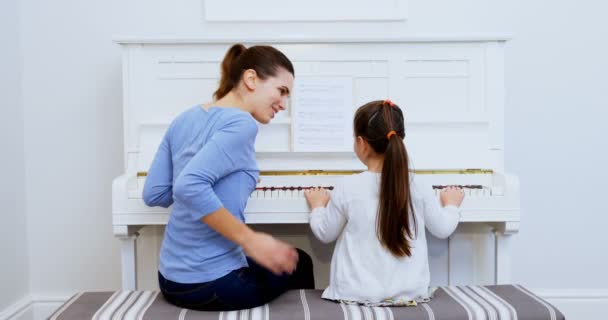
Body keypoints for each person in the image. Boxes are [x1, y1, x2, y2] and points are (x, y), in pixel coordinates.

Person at [143, 43, 315, 311]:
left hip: (170, 280)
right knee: (300, 261)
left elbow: (155, 194)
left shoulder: (184, 118)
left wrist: (228, 181)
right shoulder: (242, 123)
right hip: (212, 284)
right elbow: (188, 186)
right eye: (281, 91)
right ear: (250, 79)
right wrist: (251, 240)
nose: (283, 104)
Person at [304, 99, 464, 306]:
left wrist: (317, 207)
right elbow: (442, 229)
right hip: (410, 294)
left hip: (355, 295)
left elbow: (325, 233)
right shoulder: (419, 184)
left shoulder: (348, 185)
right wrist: (451, 205)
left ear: (361, 144)